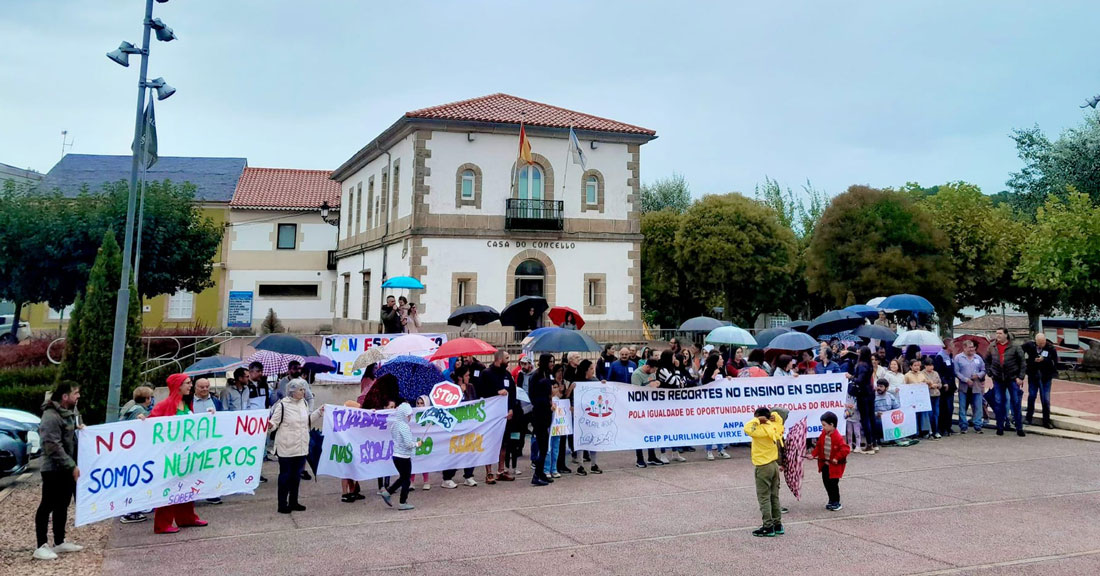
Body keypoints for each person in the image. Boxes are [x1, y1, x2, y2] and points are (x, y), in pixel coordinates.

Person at [151, 374, 209, 534]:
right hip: (170, 456)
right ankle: (162, 524)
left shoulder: (185, 403)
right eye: (188, 383)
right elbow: (151, 424)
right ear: (178, 386)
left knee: (187, 485)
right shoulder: (165, 405)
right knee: (168, 487)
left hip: (186, 455)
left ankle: (186, 517)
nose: (191, 386)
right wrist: (143, 419)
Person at [34, 381, 83, 561]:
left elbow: (71, 436)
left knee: (62, 504)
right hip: (53, 469)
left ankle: (59, 541)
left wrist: (81, 430)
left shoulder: (70, 413)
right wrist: (71, 465)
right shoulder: (50, 416)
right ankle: (40, 545)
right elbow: (52, 445)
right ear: (65, 396)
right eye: (75, 393)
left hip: (66, 467)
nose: (78, 396)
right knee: (47, 505)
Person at [269, 379, 323, 514]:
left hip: (301, 446)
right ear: (292, 392)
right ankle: (282, 503)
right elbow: (274, 423)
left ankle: (294, 501)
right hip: (286, 447)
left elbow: (307, 421)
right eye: (301, 390)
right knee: (285, 476)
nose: (303, 392)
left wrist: (319, 412)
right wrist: (270, 425)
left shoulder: (303, 403)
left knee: (296, 476)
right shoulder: (282, 405)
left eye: (304, 389)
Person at [746, 407, 785, 537]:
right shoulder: (773, 426)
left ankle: (768, 526)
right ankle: (777, 524)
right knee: (774, 496)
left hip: (763, 465)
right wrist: (773, 416)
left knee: (764, 497)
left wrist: (757, 420)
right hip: (773, 464)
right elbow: (780, 421)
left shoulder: (759, 429)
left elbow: (747, 428)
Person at [441, 366, 479, 488]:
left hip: (469, 424)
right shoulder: (452, 388)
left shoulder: (471, 387)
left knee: (470, 449)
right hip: (456, 426)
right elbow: (449, 405)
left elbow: (474, 402)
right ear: (460, 377)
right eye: (467, 375)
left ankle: (468, 475)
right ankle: (447, 477)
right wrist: (460, 392)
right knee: (455, 451)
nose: (469, 377)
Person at [985, 328, 1026, 437]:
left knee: (1016, 402)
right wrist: (990, 373)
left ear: (1006, 335)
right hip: (998, 378)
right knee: (998, 402)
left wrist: (1020, 377)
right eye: (996, 333)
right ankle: (1000, 427)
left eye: (1000, 333)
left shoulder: (1015, 346)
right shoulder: (992, 346)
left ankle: (1019, 427)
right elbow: (987, 360)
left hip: (1012, 378)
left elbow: (1022, 362)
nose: (997, 335)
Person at [380, 402, 421, 510]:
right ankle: (402, 501)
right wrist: (417, 444)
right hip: (404, 457)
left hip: (396, 455)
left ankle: (388, 492)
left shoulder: (395, 425)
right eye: (408, 415)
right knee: (406, 480)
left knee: (403, 477)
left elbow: (396, 438)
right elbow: (408, 444)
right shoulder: (404, 427)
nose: (410, 417)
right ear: (404, 415)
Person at [811, 411, 851, 511]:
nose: (823, 427)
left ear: (832, 425)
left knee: (833, 484)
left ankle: (836, 502)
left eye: (824, 425)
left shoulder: (838, 437)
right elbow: (819, 446)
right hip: (824, 464)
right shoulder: (823, 434)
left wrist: (836, 458)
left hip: (834, 467)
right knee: (826, 483)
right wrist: (812, 455)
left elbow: (845, 449)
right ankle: (831, 500)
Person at [630, 349, 663, 467]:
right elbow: (636, 392)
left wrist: (656, 384)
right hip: (640, 408)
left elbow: (653, 384)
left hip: (651, 407)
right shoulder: (637, 374)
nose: (654, 372)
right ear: (648, 367)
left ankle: (652, 456)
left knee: (651, 431)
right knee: (639, 433)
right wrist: (650, 386)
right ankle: (639, 458)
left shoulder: (652, 373)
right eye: (654, 369)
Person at [1022, 333, 1059, 429]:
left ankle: (1046, 421)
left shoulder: (1050, 348)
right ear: (1036, 342)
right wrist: (1026, 362)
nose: (1041, 345)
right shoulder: (1030, 346)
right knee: (1032, 396)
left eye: (1043, 343)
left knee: (1045, 399)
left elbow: (1055, 362)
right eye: (1039, 343)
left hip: (1045, 377)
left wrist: (1044, 360)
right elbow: (1020, 351)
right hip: (1033, 375)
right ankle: (1028, 417)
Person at [528, 359, 554, 487]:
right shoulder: (536, 376)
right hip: (539, 414)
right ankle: (537, 474)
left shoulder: (547, 375)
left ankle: (541, 472)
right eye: (550, 362)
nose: (552, 364)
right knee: (542, 446)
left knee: (545, 446)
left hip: (546, 413)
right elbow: (533, 395)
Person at [573, 359, 602, 474]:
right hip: (580, 416)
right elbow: (571, 397)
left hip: (593, 415)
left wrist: (604, 385)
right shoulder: (577, 382)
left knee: (594, 439)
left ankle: (594, 464)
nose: (593, 370)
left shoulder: (595, 381)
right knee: (581, 439)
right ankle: (580, 465)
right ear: (585, 370)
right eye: (590, 369)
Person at [954, 340, 987, 434]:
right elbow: (956, 372)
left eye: (973, 347)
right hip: (964, 386)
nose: (972, 349)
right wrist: (965, 379)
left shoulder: (978, 358)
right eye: (970, 347)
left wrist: (979, 375)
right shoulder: (958, 358)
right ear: (964, 348)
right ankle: (963, 426)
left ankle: (978, 425)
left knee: (978, 407)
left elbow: (984, 370)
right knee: (962, 407)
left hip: (976, 386)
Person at [853, 347, 876, 453]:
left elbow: (860, 380)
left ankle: (869, 444)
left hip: (863, 394)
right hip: (870, 392)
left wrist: (851, 377)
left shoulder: (861, 365)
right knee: (871, 417)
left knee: (865, 418)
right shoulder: (870, 365)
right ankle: (874, 443)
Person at [933, 340, 957, 436]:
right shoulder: (940, 356)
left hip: (951, 384)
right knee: (944, 407)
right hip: (944, 385)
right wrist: (944, 383)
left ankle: (948, 426)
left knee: (950, 407)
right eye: (952, 344)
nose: (954, 346)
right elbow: (939, 372)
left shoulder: (950, 356)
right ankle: (942, 427)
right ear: (947, 346)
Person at [872, 378, 900, 443]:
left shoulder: (890, 396)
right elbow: (868, 411)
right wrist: (876, 414)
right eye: (878, 386)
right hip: (877, 417)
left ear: (886, 388)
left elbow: (897, 408)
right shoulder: (872, 396)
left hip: (888, 418)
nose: (879, 388)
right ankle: (880, 438)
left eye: (881, 386)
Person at [922, 358, 943, 439]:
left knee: (936, 414)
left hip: (936, 395)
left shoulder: (936, 373)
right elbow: (922, 384)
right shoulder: (922, 374)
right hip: (928, 396)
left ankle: (936, 431)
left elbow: (940, 383)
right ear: (925, 366)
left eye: (932, 365)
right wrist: (930, 386)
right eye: (929, 365)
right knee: (929, 414)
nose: (931, 367)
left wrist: (936, 385)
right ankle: (929, 431)